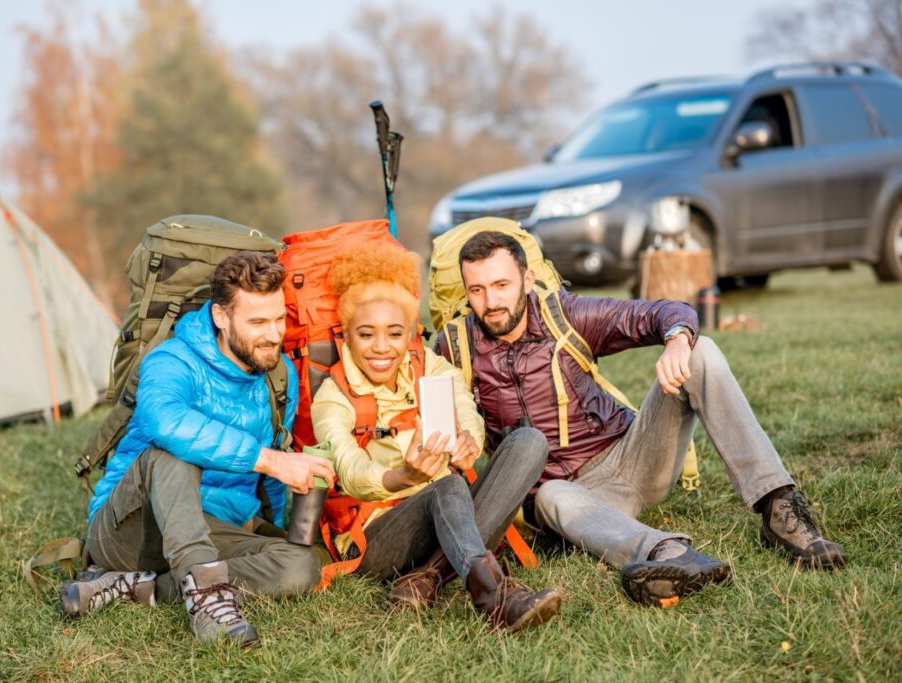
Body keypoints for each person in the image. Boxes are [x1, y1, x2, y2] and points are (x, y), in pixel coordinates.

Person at [435, 231, 847, 607]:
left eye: (502, 285)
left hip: (633, 457)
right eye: (477, 289)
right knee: (551, 496)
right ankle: (670, 556)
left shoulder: (566, 316)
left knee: (701, 352)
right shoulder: (454, 347)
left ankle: (778, 506)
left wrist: (676, 341)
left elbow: (666, 311)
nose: (491, 302)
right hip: (564, 497)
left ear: (526, 280)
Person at [60, 252, 335, 645]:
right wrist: (269, 461)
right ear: (221, 317)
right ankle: (208, 603)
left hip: (212, 529)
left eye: (279, 319)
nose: (274, 334)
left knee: (303, 565)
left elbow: (275, 461)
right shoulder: (171, 361)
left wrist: (270, 521)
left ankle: (141, 588)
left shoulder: (279, 374)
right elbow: (164, 422)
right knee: (174, 450)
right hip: (132, 531)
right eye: (257, 322)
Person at [310, 245, 562, 632]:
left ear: (409, 333)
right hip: (379, 537)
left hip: (452, 511)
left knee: (528, 441)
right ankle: (495, 597)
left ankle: (429, 576)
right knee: (446, 486)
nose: (382, 347)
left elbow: (465, 410)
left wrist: (467, 440)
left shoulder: (427, 364)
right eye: (366, 334)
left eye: (395, 333)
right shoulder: (332, 395)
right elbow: (349, 469)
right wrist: (403, 478)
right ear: (347, 335)